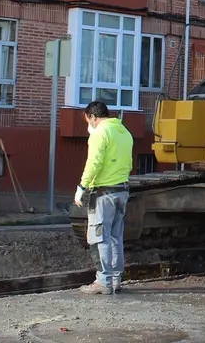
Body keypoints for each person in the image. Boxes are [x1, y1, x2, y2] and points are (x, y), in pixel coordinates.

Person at [74, 101, 134, 295]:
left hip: (102, 192)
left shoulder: (100, 133)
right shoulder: (124, 132)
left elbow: (94, 162)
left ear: (92, 116)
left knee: (99, 237)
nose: (88, 125)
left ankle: (103, 281)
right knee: (116, 237)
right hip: (122, 190)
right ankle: (116, 280)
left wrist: (82, 187)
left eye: (87, 120)